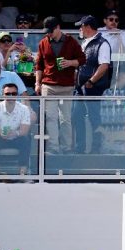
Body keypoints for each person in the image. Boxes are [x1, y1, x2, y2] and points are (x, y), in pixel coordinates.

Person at [34, 16, 86, 154]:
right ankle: (53, 148)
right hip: (48, 85)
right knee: (50, 118)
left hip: (67, 85)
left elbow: (82, 59)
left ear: (58, 28)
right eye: (47, 31)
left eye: (50, 31)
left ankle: (67, 147)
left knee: (66, 119)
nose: (48, 34)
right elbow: (38, 65)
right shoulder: (43, 43)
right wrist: (37, 83)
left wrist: (70, 63)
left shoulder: (71, 41)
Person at [73, 15, 112, 154]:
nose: (80, 29)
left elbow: (104, 65)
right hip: (80, 87)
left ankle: (96, 148)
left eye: (81, 26)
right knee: (76, 115)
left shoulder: (103, 43)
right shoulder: (84, 43)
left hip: (92, 87)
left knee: (94, 118)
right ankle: (80, 147)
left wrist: (91, 81)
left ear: (87, 27)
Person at [0, 83, 31, 176]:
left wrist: (15, 133)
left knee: (25, 140)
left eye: (14, 94)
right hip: (0, 137)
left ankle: (23, 174)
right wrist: (1, 134)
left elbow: (24, 131)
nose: (11, 96)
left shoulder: (24, 109)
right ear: (3, 95)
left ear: (17, 95)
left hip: (17, 137)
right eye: (8, 94)